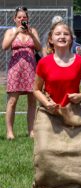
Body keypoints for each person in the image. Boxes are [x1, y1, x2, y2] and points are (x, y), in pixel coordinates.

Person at [32, 21, 81, 188]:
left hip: (73, 113)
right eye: (58, 34)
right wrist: (47, 103)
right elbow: (36, 89)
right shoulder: (44, 63)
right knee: (45, 150)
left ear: (71, 39)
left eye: (66, 34)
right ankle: (45, 184)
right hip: (50, 112)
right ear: (51, 40)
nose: (62, 36)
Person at [1, 6, 41, 140]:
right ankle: (10, 132)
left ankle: (31, 131)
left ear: (28, 19)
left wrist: (30, 34)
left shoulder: (32, 30)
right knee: (12, 101)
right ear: (15, 19)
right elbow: (5, 47)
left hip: (30, 69)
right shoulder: (10, 31)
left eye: (24, 17)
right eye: (19, 17)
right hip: (15, 69)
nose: (22, 19)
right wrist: (16, 33)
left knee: (32, 100)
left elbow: (39, 47)